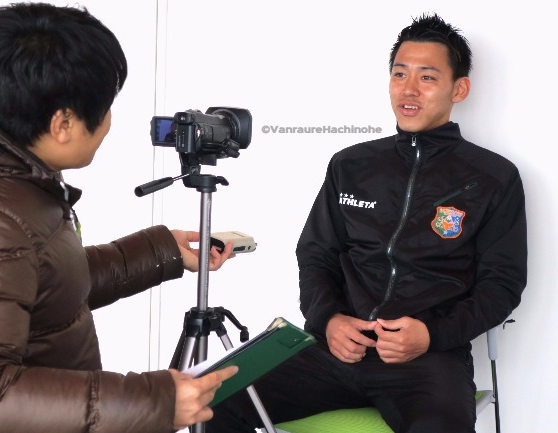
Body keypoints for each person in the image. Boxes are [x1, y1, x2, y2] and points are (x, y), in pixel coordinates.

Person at [0, 3, 237, 433]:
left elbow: (37, 284)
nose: (108, 123)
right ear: (62, 123)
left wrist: (160, 252)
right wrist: (153, 400)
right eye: (104, 109)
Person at [208, 12, 527, 433]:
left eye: (427, 77)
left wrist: (431, 335)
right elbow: (316, 255)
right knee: (209, 399)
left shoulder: (493, 177)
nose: (409, 89)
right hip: (333, 349)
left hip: (426, 360)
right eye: (400, 74)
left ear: (459, 89)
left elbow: (501, 285)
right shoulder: (351, 165)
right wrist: (330, 320)